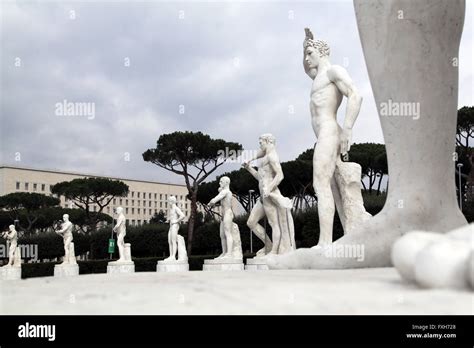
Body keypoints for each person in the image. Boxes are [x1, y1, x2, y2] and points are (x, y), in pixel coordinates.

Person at [243, 134, 295, 256]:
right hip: (262, 197)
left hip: (270, 196)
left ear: (267, 141)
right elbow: (260, 178)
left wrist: (269, 188)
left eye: (261, 142)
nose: (259, 144)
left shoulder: (272, 156)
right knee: (251, 222)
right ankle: (269, 245)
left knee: (274, 224)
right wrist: (249, 168)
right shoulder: (265, 158)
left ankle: (274, 251)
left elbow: (280, 175)